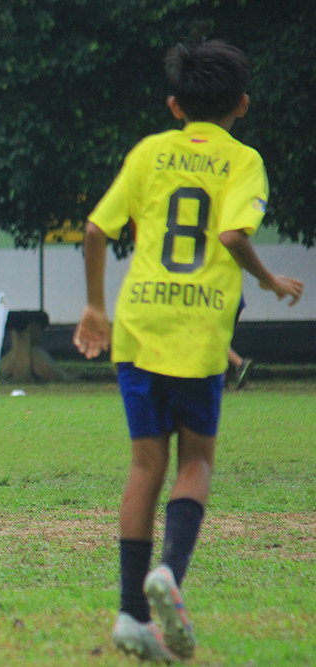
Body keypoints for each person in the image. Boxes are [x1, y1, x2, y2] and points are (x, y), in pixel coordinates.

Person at [73, 39, 303, 661]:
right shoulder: (244, 161)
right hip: (201, 330)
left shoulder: (150, 151)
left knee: (144, 464)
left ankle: (128, 614)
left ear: (176, 104)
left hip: (140, 323)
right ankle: (170, 573)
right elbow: (231, 233)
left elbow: (96, 229)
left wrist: (95, 306)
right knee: (195, 460)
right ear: (244, 104)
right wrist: (267, 278)